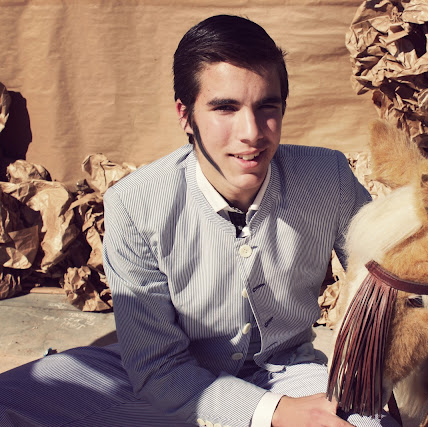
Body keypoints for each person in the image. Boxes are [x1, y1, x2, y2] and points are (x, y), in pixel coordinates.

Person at [0, 15, 399, 427]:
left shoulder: (329, 177)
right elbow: (155, 365)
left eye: (267, 107)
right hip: (165, 378)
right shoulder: (133, 203)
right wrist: (274, 413)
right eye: (225, 108)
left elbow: (391, 284)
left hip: (290, 373)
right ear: (185, 115)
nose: (251, 132)